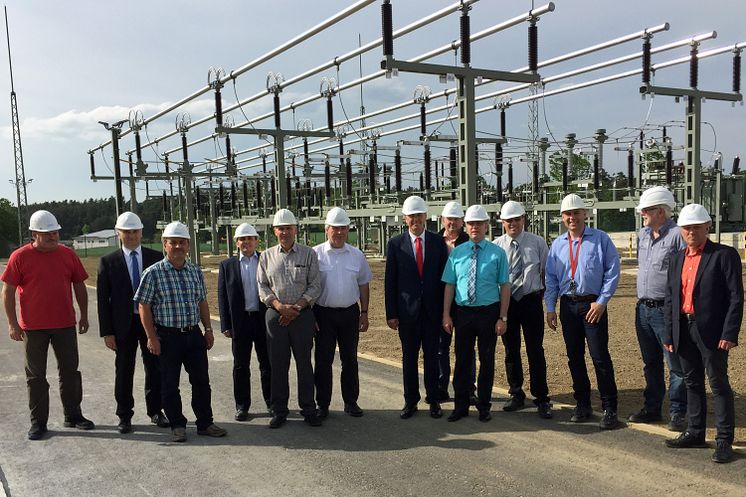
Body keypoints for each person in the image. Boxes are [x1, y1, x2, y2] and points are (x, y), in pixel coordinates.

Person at [1, 210, 94, 440]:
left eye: (55, 232)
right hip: (33, 328)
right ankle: (38, 423)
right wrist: (12, 324)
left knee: (70, 372)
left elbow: (80, 286)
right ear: (34, 234)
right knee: (36, 377)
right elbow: (8, 291)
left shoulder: (67, 254)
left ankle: (73, 415)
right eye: (47, 233)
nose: (54, 237)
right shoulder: (19, 257)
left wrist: (84, 315)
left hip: (64, 324)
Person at [663, 203, 743, 464]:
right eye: (686, 228)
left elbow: (735, 298)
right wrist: (669, 333)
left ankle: (723, 440)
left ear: (707, 227)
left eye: (696, 227)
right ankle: (695, 432)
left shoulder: (724, 255)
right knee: (691, 382)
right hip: (683, 328)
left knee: (718, 384)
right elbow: (670, 298)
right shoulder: (677, 258)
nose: (691, 232)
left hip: (711, 331)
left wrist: (729, 332)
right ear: (681, 230)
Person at [134, 221, 226, 443]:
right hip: (167, 337)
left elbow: (202, 301)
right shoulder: (153, 273)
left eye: (182, 243)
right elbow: (143, 306)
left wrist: (208, 330)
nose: (177, 247)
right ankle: (177, 425)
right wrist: (151, 337)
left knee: (201, 381)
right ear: (165, 245)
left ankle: (205, 422)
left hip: (193, 335)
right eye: (172, 242)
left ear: (188, 245)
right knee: (169, 383)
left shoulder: (195, 271)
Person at [544, 194, 621, 430]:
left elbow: (612, 270)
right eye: (568, 214)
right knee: (574, 357)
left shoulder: (600, 240)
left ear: (585, 215)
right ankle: (583, 403)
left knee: (600, 357)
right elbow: (551, 278)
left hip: (592, 306)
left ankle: (609, 408)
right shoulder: (557, 245)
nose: (572, 217)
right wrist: (550, 307)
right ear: (562, 217)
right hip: (568, 306)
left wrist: (602, 301)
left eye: (576, 213)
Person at [97, 211, 168, 434]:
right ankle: (124, 415)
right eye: (126, 232)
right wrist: (107, 332)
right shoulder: (108, 262)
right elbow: (102, 300)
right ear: (118, 233)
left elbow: (162, 294)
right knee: (124, 371)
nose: (131, 235)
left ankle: (156, 411)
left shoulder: (156, 258)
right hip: (123, 326)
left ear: (141, 232)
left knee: (155, 369)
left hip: (151, 324)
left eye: (135, 231)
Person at [442, 205, 510, 422]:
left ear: (486, 226)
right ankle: (460, 405)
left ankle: (484, 406)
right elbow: (449, 286)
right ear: (466, 225)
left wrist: (502, 317)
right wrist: (446, 314)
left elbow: (505, 286)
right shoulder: (457, 254)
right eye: (471, 223)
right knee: (462, 360)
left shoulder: (497, 254)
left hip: (488, 313)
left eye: (479, 224)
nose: (474, 228)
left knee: (487, 360)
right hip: (463, 313)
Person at [385, 195, 448, 419]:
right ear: (405, 219)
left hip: (432, 313)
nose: (416, 220)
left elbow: (444, 279)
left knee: (432, 358)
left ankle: (433, 400)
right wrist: (391, 313)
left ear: (426, 216)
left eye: (419, 215)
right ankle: (410, 401)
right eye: (412, 216)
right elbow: (390, 281)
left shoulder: (437, 242)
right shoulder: (395, 244)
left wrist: (445, 312)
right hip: (407, 314)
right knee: (409, 359)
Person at [629, 187, 687, 432]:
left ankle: (678, 412)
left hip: (666, 310)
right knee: (650, 362)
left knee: (675, 364)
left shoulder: (677, 236)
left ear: (661, 212)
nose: (642, 214)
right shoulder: (643, 235)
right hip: (643, 309)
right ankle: (652, 408)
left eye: (646, 210)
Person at [257, 208, 322, 428]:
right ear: (275, 231)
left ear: (296, 229)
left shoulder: (309, 254)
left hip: (302, 316)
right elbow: (263, 286)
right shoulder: (266, 256)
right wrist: (279, 306)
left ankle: (308, 409)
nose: (285, 232)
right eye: (281, 229)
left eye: (288, 228)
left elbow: (315, 284)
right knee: (278, 365)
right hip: (275, 317)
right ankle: (279, 410)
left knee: (304, 364)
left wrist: (296, 307)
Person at [493, 201, 552, 419]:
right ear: (503, 222)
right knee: (511, 349)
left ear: (523, 219)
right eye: (509, 220)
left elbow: (547, 272)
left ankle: (541, 397)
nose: (513, 224)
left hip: (531, 301)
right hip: (507, 303)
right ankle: (516, 393)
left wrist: (547, 300)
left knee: (535, 349)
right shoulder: (496, 247)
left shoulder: (537, 243)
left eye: (517, 219)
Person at [313, 207, 372, 418]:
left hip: (349, 314)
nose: (339, 233)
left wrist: (364, 312)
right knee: (323, 360)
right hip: (323, 315)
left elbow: (364, 284)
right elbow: (309, 286)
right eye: (335, 229)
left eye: (343, 229)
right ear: (327, 229)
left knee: (350, 359)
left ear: (348, 230)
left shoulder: (356, 255)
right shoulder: (315, 254)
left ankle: (351, 401)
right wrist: (311, 315)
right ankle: (323, 404)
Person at [217, 223, 271, 422]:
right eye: (242, 239)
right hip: (240, 322)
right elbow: (222, 296)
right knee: (241, 366)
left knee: (267, 364)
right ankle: (242, 406)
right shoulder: (227, 265)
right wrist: (225, 324)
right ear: (236, 243)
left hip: (263, 320)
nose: (246, 242)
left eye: (250, 238)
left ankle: (272, 402)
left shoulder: (266, 260)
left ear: (257, 241)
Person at [436, 201, 477, 404]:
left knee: (466, 347)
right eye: (449, 219)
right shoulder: (434, 242)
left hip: (463, 302)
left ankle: (468, 388)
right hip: (440, 302)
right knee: (441, 347)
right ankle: (441, 387)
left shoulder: (470, 242)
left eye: (456, 219)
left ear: (462, 221)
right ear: (443, 220)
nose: (452, 222)